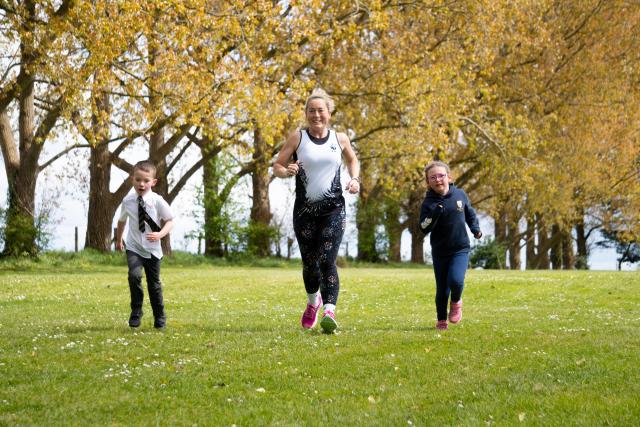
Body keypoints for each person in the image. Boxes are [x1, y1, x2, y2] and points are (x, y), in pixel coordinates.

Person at [273, 88, 360, 333]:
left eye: (321, 110)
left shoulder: (339, 138)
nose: (316, 115)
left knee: (327, 260)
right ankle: (314, 303)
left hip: (334, 209)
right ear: (306, 114)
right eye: (311, 111)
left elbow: (352, 159)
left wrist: (355, 179)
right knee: (310, 263)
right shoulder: (297, 138)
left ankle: (329, 311)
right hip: (304, 212)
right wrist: (286, 170)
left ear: (329, 113)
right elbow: (277, 166)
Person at [419, 161, 481, 330]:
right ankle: (441, 320)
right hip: (440, 251)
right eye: (433, 177)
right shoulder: (428, 203)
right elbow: (423, 227)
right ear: (428, 182)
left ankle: (456, 302)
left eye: (441, 176)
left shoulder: (459, 194)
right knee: (442, 289)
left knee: (456, 280)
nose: (438, 180)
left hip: (460, 248)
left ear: (449, 177)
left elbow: (470, 214)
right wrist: (434, 214)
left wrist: (475, 229)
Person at [116, 160, 174, 329]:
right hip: (134, 247)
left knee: (154, 285)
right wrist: (119, 239)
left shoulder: (157, 201)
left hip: (153, 250)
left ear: (153, 182)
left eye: (146, 181)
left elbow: (170, 220)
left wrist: (160, 234)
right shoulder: (127, 201)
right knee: (134, 277)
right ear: (132, 179)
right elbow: (121, 221)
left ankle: (159, 317)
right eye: (138, 179)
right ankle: (136, 311)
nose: (141, 184)